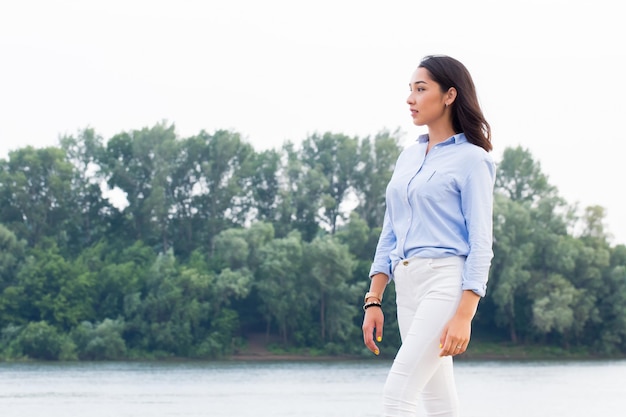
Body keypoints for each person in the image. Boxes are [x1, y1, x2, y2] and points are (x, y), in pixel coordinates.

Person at [361, 54, 496, 417]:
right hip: (407, 285)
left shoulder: (473, 160)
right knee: (438, 399)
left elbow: (482, 242)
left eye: (421, 90)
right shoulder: (408, 157)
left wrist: (465, 314)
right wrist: (374, 297)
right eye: (410, 90)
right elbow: (390, 230)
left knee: (398, 393)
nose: (411, 99)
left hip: (445, 281)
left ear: (449, 95)